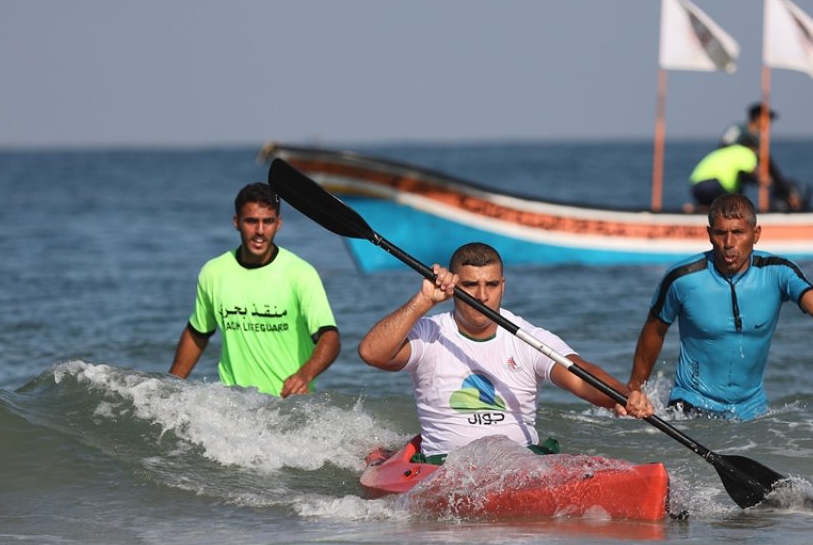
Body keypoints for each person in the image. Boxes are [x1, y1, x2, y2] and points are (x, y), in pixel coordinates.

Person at [358, 242, 652, 458]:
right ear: (453, 287)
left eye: (491, 285)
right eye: (470, 285)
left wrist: (621, 395)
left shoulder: (528, 337)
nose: (482, 296)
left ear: (503, 286)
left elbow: (580, 374)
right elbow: (372, 353)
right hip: (445, 466)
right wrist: (423, 302)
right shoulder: (429, 333)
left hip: (520, 463)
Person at [626, 194, 813, 421]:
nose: (729, 243)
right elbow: (654, 330)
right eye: (720, 233)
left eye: (738, 233)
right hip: (690, 407)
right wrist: (635, 389)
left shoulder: (778, 272)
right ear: (709, 234)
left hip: (752, 413)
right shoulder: (682, 278)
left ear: (756, 234)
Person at [170, 182, 341, 397]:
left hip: (287, 404)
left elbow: (330, 338)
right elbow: (197, 333)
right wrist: (169, 389)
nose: (260, 231)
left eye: (268, 221)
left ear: (278, 223)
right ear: (237, 222)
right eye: (251, 221)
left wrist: (305, 375)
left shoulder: (300, 273)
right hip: (234, 404)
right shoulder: (214, 272)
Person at [689, 103, 804, 211]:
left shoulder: (757, 139)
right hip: (721, 180)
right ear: (757, 117)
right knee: (734, 203)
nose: (769, 124)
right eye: (767, 119)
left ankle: (697, 208)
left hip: (698, 181)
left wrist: (785, 190)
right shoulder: (738, 133)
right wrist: (760, 178)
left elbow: (768, 164)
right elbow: (725, 148)